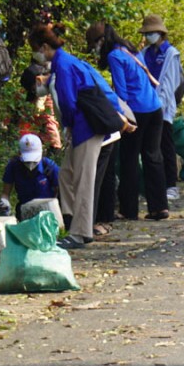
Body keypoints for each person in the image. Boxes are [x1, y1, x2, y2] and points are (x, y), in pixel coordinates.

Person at [28, 24, 133, 249]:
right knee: (67, 174)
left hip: (86, 127)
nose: (36, 55)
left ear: (45, 47)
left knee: (83, 181)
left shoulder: (64, 66)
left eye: (36, 50)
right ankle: (72, 219)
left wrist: (68, 128)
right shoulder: (65, 63)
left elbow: (68, 102)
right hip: (85, 126)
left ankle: (80, 232)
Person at [87, 22, 169, 222]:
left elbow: (121, 93)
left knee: (129, 161)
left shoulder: (114, 56)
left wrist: (118, 115)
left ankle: (129, 210)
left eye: (94, 44)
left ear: (101, 41)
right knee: (153, 157)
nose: (95, 49)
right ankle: (159, 207)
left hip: (137, 111)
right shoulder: (130, 48)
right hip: (155, 107)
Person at [138, 14, 183, 200]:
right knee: (150, 148)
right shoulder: (145, 53)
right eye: (147, 33)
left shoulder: (170, 53)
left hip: (163, 106)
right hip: (147, 105)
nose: (149, 36)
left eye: (152, 33)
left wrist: (161, 103)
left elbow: (171, 82)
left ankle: (171, 184)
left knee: (166, 145)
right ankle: (155, 186)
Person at [0, 134, 60, 218]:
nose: (30, 165)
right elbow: (5, 192)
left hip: (48, 211)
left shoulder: (49, 167)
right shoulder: (13, 166)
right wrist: (4, 202)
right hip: (24, 210)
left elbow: (61, 191)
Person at [18, 61, 62, 152]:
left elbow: (49, 120)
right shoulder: (22, 94)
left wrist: (54, 144)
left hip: (41, 138)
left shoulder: (48, 97)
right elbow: (13, 112)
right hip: (24, 137)